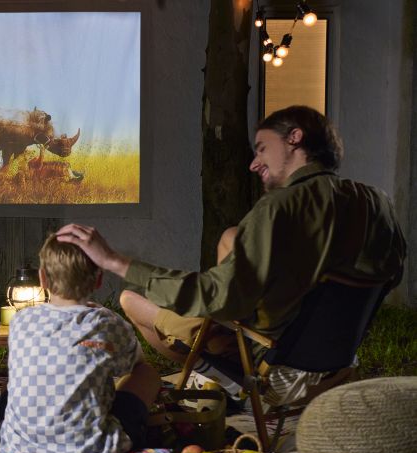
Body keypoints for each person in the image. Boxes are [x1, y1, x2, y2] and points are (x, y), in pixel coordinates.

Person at [58, 105, 406, 407]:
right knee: (230, 239)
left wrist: (115, 261)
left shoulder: (280, 207)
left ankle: (226, 384)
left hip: (276, 371)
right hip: (339, 363)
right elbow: (383, 279)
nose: (255, 164)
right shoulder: (376, 201)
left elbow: (215, 297)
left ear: (295, 138)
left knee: (131, 300)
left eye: (261, 149)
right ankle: (224, 373)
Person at [0, 234, 161, 453]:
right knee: (147, 372)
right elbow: (134, 365)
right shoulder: (107, 323)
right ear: (99, 280)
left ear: (43, 280)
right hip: (92, 449)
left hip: (18, 446)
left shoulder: (21, 319)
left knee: (13, 391)